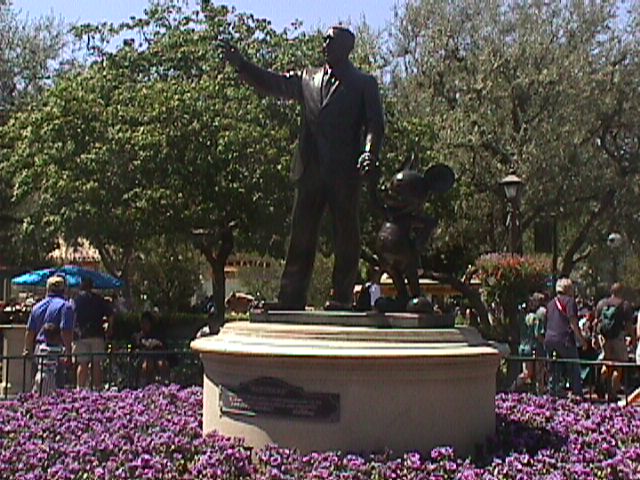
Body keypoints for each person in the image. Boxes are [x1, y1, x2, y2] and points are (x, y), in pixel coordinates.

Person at [221, 25, 385, 311]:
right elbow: (273, 83)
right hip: (310, 170)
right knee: (301, 234)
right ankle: (291, 297)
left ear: (347, 47)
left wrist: (369, 153)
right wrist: (242, 66)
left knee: (346, 235)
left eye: (331, 40)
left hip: (344, 172)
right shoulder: (308, 78)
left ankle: (342, 296)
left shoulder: (363, 83)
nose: (324, 44)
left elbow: (375, 124)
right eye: (324, 40)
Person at [23, 276, 74, 385]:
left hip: (39, 351)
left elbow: (30, 331)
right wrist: (69, 353)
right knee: (56, 388)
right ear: (64, 289)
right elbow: (65, 331)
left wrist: (27, 349)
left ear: (47, 289)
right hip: (56, 351)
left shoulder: (37, 307)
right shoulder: (66, 306)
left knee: (38, 386)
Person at [544, 278, 587, 397]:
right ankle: (577, 394)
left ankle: (553, 393)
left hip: (549, 339)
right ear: (569, 289)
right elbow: (573, 323)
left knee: (554, 367)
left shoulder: (550, 304)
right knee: (573, 366)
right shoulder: (570, 302)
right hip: (564, 339)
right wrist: (582, 340)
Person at [595, 283, 634, 401]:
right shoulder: (624, 305)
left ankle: (600, 384)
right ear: (621, 292)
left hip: (604, 338)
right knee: (619, 365)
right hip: (618, 338)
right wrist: (632, 338)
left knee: (607, 363)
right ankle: (612, 393)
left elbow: (596, 322)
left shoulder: (602, 303)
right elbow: (629, 325)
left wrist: (595, 337)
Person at [72, 278, 113, 389]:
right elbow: (110, 315)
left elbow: (71, 316)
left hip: (81, 335)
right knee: (97, 363)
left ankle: (80, 389)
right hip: (97, 334)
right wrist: (109, 328)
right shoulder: (99, 299)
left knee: (82, 364)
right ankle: (97, 388)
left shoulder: (76, 300)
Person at [514, 292, 547, 393]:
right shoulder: (535, 318)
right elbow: (538, 334)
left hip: (523, 346)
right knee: (538, 373)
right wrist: (545, 344)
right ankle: (539, 395)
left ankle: (515, 388)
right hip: (533, 347)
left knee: (527, 373)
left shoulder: (523, 317)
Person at [132, 311, 170, 386]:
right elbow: (134, 349)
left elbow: (162, 346)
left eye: (146, 323)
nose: (144, 325)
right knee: (148, 364)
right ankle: (143, 385)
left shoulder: (156, 335)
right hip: (141, 359)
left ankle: (165, 384)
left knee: (162, 363)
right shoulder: (137, 336)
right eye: (143, 323)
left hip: (157, 357)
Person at [32, 323, 65, 396]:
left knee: (37, 394)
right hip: (49, 375)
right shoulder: (59, 349)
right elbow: (62, 361)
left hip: (39, 373)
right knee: (47, 396)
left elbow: (36, 359)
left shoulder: (40, 347)